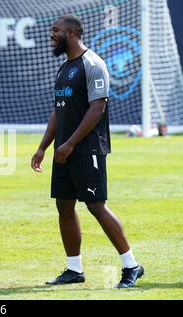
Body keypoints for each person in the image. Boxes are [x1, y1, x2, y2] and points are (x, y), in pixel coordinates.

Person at [31, 15, 144, 288]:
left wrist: (71, 143)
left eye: (55, 30)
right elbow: (58, 112)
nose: (51, 34)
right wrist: (43, 147)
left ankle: (132, 265)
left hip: (86, 148)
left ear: (71, 32)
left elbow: (98, 108)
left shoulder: (93, 64)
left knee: (96, 205)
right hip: (63, 151)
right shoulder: (63, 68)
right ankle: (74, 269)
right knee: (64, 205)